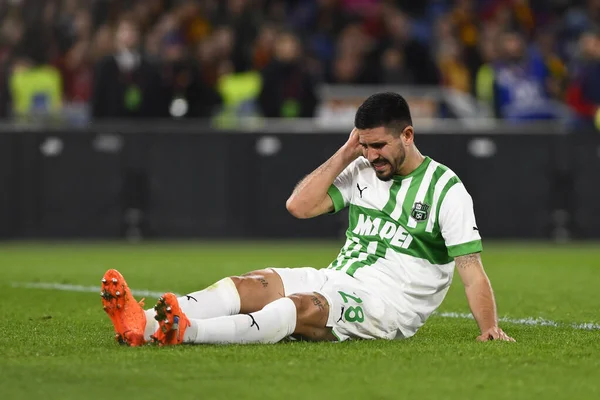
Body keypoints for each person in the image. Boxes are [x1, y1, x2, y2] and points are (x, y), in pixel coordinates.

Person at [101, 92, 515, 346]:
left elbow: (471, 270)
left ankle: (185, 332)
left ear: (407, 135)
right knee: (251, 284)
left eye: (379, 145)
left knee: (295, 309)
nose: (372, 156)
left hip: (386, 306)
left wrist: (489, 328)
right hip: (335, 277)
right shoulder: (362, 168)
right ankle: (143, 321)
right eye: (364, 145)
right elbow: (298, 206)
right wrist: (345, 153)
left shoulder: (446, 189)